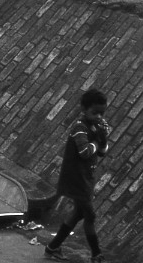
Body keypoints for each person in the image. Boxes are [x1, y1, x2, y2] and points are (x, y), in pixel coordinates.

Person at [44, 88, 111, 263]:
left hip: (85, 179)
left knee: (79, 214)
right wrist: (97, 140)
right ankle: (96, 254)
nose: (99, 116)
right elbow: (85, 152)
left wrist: (103, 139)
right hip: (76, 180)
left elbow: (102, 152)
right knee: (90, 216)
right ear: (84, 109)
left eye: (102, 113)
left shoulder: (95, 126)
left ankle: (53, 247)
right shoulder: (79, 128)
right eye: (95, 112)